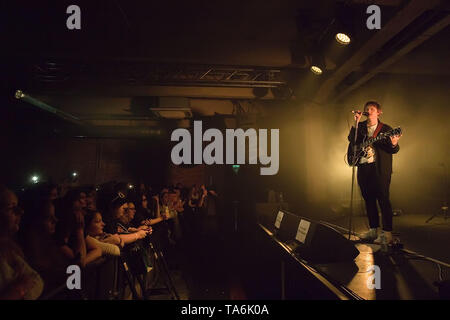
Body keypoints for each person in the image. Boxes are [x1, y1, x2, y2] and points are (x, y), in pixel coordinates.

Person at [347, 101, 401, 245]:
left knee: (383, 200)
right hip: (364, 167)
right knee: (368, 199)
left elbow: (393, 149)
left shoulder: (386, 129)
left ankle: (387, 233)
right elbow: (352, 141)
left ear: (378, 112)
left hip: (380, 170)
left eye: (372, 109)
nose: (368, 111)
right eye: (367, 109)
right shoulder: (362, 127)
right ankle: (373, 229)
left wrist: (394, 143)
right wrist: (356, 122)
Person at [0, 186, 44, 300]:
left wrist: (18, 290)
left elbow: (36, 279)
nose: (21, 212)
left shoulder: (10, 247)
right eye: (11, 208)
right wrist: (20, 288)